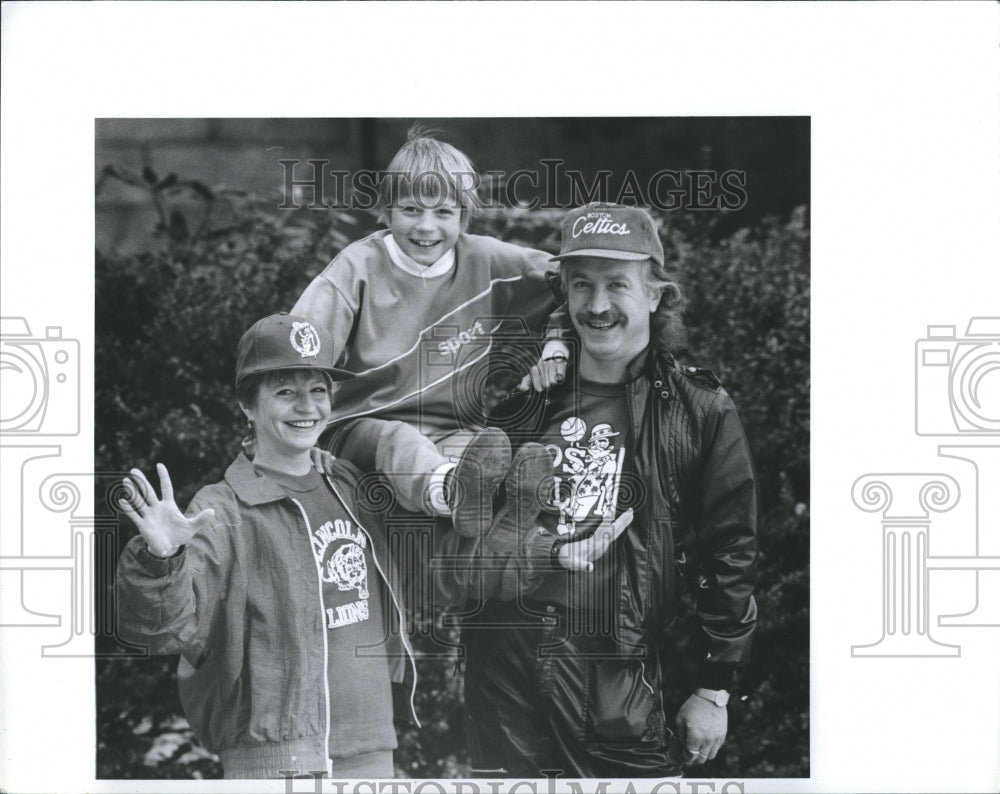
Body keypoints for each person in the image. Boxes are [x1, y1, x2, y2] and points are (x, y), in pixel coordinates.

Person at [451, 204, 760, 778]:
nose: (597, 306)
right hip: (504, 655)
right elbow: (475, 529)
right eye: (582, 286)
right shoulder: (527, 400)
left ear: (655, 295)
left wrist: (716, 688)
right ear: (562, 296)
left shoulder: (698, 410)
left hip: (611, 663)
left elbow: (730, 551)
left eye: (617, 285)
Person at [116, 313, 417, 780]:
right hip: (279, 760)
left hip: (374, 747)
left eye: (318, 390)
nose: (307, 406)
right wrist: (162, 560)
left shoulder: (347, 482)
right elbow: (162, 632)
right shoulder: (222, 508)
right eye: (284, 392)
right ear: (247, 405)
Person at [291, 128, 566, 537]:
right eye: (411, 210)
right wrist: (299, 438)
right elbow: (296, 353)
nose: (426, 227)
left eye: (443, 213)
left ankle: (522, 522)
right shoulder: (357, 268)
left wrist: (557, 343)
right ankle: (450, 493)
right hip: (362, 428)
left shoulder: (488, 260)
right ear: (386, 210)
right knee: (398, 440)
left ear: (463, 216)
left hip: (452, 429)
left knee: (485, 455)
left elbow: (573, 282)